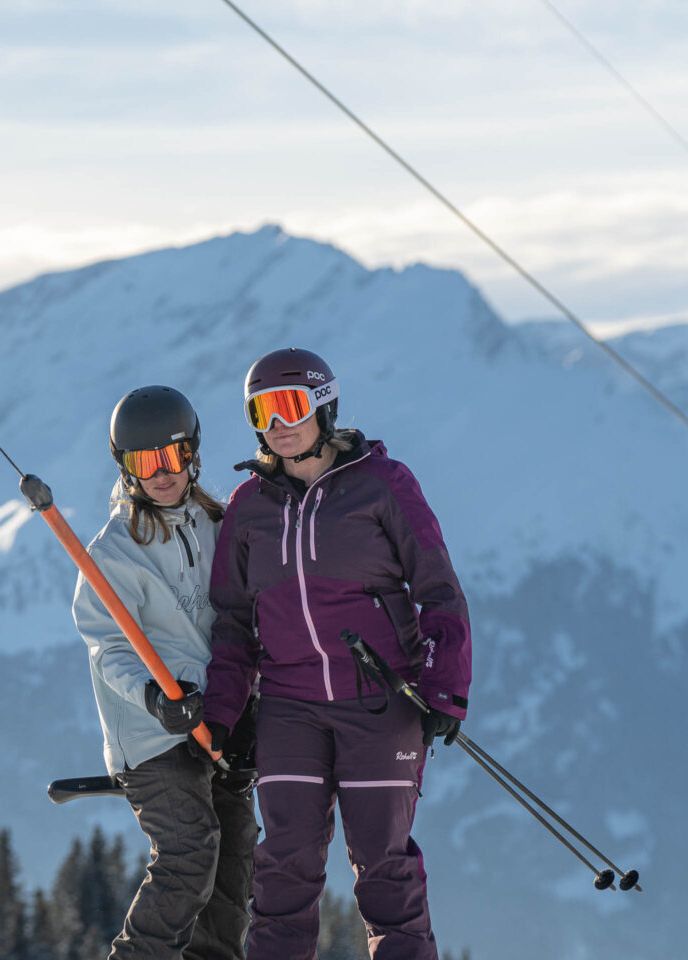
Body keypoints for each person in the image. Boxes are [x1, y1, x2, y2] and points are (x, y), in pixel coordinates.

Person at [203, 349, 471, 960]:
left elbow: (438, 590)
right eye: (261, 410)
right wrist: (222, 715)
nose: (277, 423)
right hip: (289, 707)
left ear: (324, 405)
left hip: (380, 702)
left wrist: (445, 687)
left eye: (291, 405)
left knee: (384, 864)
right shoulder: (249, 506)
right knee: (283, 867)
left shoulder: (383, 485)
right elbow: (234, 623)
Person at [73, 385, 260, 960]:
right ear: (125, 468)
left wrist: (245, 710)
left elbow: (241, 623)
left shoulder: (216, 524)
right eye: (145, 461)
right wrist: (156, 699)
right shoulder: (115, 551)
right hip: (153, 735)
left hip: (216, 722)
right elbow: (108, 645)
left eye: (172, 456)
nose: (162, 473)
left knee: (234, 857)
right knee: (189, 852)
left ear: (193, 455)